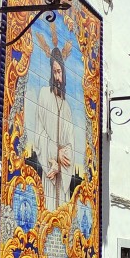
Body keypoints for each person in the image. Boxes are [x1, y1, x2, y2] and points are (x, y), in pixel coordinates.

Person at [32, 31, 76, 211]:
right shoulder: (44, 95)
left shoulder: (66, 107)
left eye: (60, 72)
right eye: (55, 72)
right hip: (49, 169)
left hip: (60, 173)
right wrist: (54, 154)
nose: (58, 77)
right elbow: (39, 133)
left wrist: (61, 162)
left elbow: (71, 144)